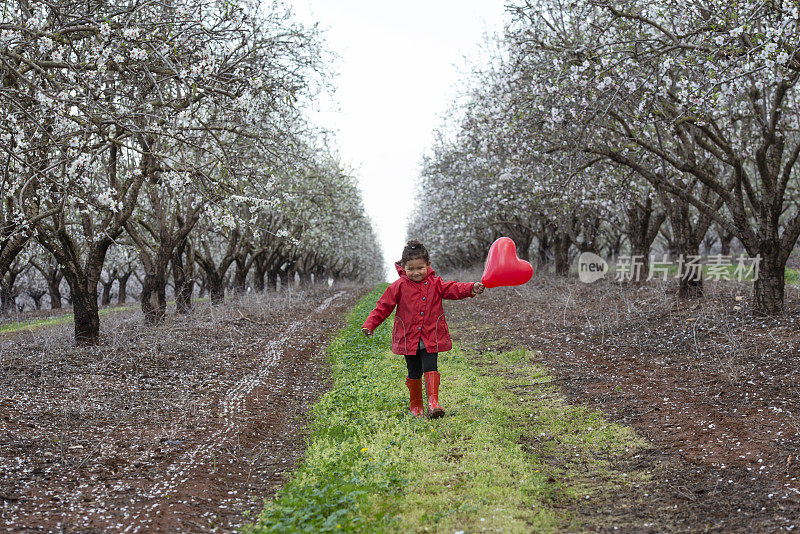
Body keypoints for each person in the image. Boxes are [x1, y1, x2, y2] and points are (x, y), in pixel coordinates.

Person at [361, 239, 485, 418]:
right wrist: (370, 324)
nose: (416, 272)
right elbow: (383, 306)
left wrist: (471, 288)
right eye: (410, 269)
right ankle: (416, 404)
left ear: (428, 265)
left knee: (430, 367)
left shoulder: (436, 283)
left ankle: (433, 403)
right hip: (408, 337)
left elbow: (453, 288)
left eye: (420, 268)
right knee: (414, 371)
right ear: (403, 267)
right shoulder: (399, 286)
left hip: (430, 336)